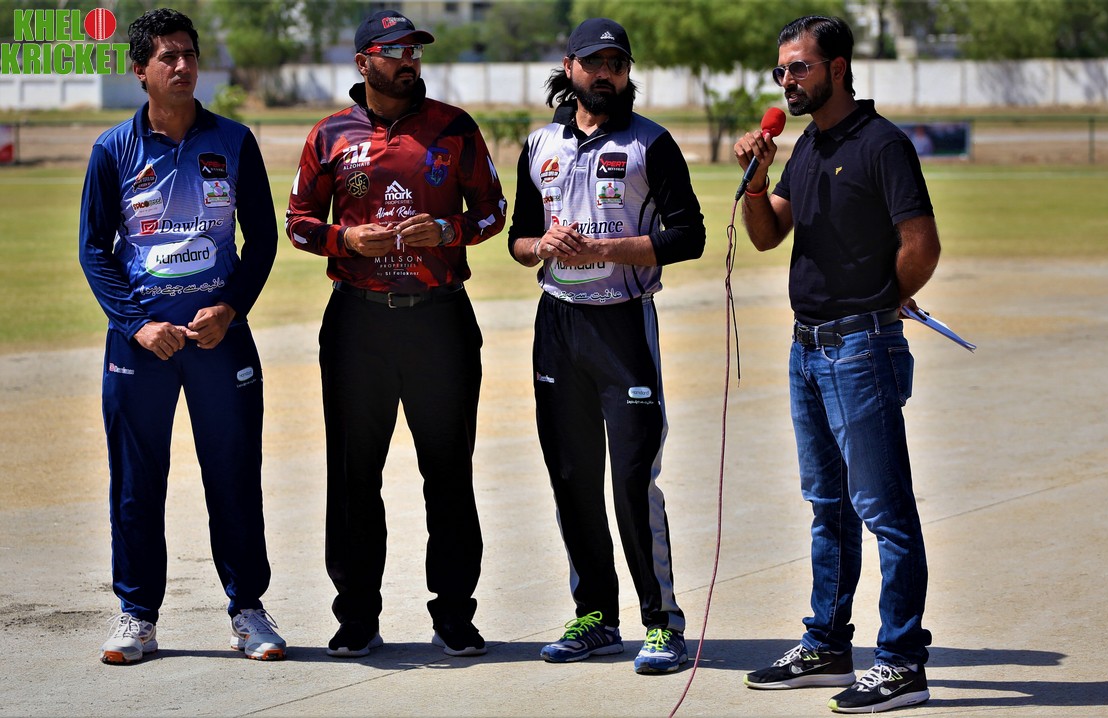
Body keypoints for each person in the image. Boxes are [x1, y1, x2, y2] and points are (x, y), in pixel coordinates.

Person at [732, 15, 940, 714]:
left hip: (860, 348)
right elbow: (767, 235)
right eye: (781, 71)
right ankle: (826, 643)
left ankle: (902, 661)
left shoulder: (882, 145)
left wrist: (882, 302)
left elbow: (921, 244)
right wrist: (756, 181)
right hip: (807, 348)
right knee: (828, 506)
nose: (786, 81)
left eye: (799, 67)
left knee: (884, 509)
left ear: (838, 68)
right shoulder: (808, 147)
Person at [286, 10, 507, 659]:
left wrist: (449, 230)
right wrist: (345, 238)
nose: (409, 61)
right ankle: (357, 615)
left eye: (415, 51)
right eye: (395, 51)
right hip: (358, 322)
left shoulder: (454, 128)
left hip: (440, 319)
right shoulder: (330, 134)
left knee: (448, 470)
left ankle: (454, 614)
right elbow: (297, 222)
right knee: (354, 474)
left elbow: (494, 210)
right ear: (363, 62)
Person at [79, 7, 284, 664]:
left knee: (233, 474)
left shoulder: (234, 140)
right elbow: (93, 249)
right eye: (167, 56)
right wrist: (138, 325)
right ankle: (137, 616)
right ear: (140, 70)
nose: (182, 65)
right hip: (142, 344)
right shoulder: (113, 150)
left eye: (189, 54)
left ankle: (248, 610)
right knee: (136, 482)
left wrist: (230, 309)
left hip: (219, 341)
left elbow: (262, 241)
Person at [507, 17, 705, 675]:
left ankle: (662, 623)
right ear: (570, 68)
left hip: (624, 328)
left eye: (617, 65)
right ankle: (595, 617)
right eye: (594, 63)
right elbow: (518, 240)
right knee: (572, 479)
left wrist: (609, 248)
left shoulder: (652, 143)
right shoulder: (539, 144)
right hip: (557, 327)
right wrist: (542, 245)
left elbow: (690, 235)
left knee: (630, 482)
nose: (606, 75)